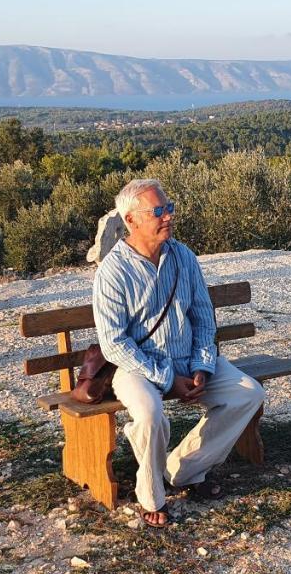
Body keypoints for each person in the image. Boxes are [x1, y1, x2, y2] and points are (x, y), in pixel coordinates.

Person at [92, 178, 266, 529]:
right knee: (151, 414)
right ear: (131, 220)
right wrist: (169, 379)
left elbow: (203, 317)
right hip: (138, 368)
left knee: (248, 394)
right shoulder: (113, 272)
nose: (168, 216)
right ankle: (152, 495)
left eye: (169, 207)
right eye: (158, 211)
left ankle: (184, 469)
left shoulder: (183, 256)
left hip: (189, 359)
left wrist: (202, 365)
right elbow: (114, 344)